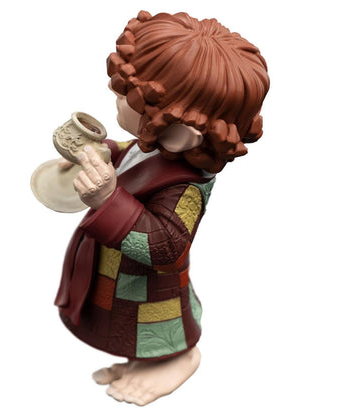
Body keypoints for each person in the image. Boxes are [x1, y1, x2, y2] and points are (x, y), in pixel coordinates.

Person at [54, 10, 270, 406]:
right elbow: (134, 156)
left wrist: (108, 200)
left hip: (147, 287)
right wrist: (106, 153)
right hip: (114, 273)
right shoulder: (155, 147)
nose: (116, 96)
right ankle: (143, 361)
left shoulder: (186, 186)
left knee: (148, 326)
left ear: (180, 133)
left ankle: (179, 358)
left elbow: (167, 246)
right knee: (124, 326)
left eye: (130, 97)